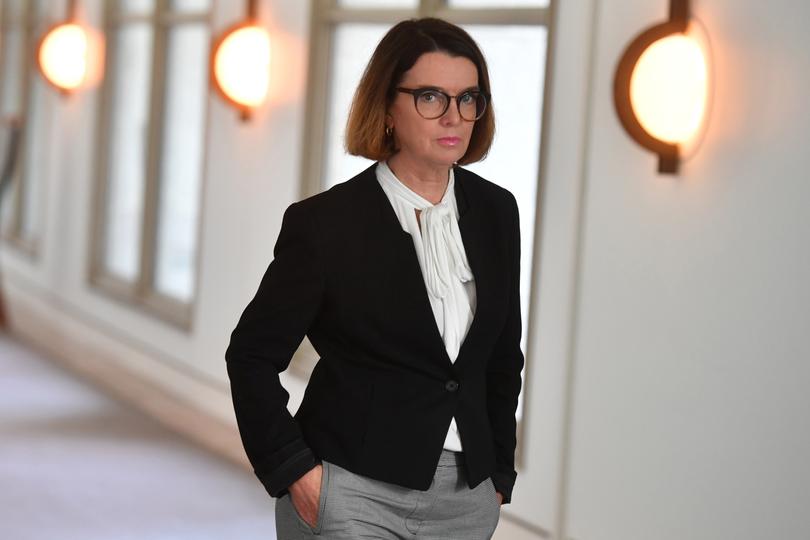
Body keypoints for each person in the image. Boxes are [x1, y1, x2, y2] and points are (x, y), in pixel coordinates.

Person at [225, 16, 524, 539]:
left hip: (466, 499)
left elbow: (502, 358)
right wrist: (296, 473)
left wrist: (499, 475)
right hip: (350, 489)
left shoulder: (498, 212)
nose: (454, 115)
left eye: (468, 98)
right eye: (431, 97)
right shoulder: (324, 224)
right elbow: (250, 355)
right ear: (387, 105)